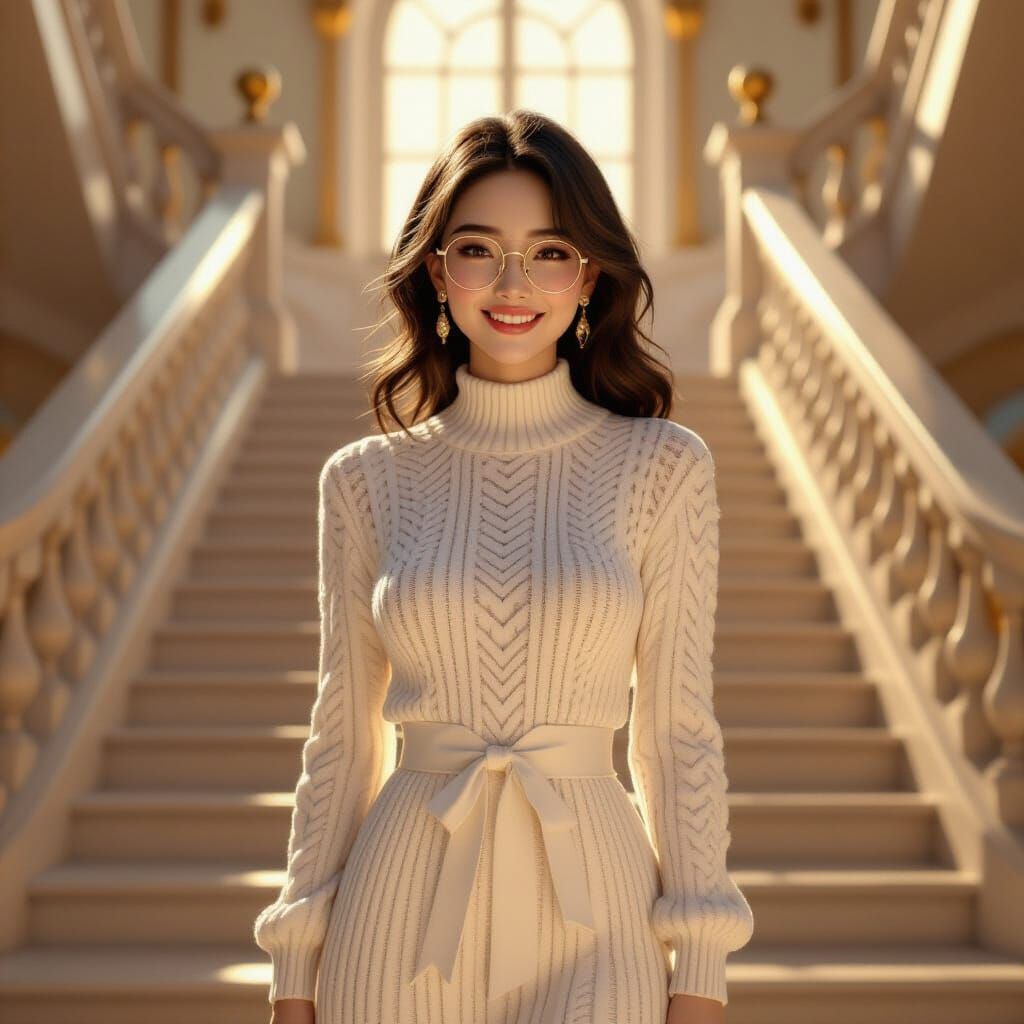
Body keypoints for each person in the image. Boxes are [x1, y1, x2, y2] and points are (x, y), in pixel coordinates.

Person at [254, 109, 754, 1024]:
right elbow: (344, 739)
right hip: (397, 910)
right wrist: (294, 968)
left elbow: (677, 734)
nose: (514, 282)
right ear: (438, 271)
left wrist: (702, 966)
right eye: (480, 249)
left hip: (598, 906)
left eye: (551, 251)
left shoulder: (662, 468)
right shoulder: (365, 482)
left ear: (590, 274)